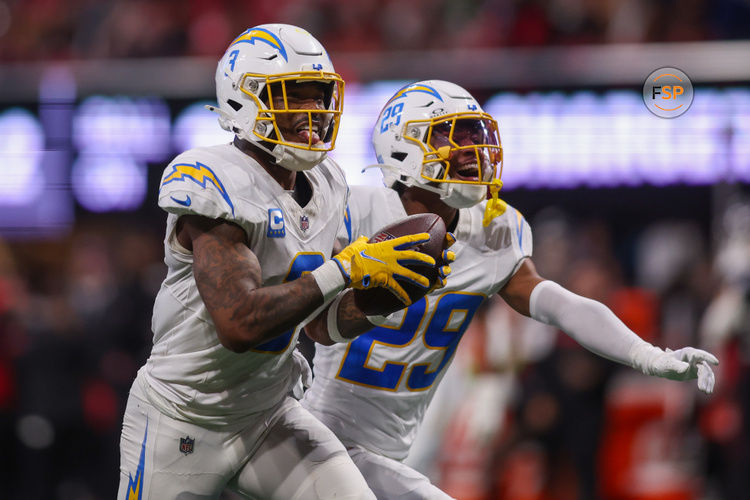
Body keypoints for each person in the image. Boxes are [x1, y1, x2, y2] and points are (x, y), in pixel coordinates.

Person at [301, 80, 720, 499]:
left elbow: (559, 305)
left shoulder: (493, 228)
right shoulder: (353, 211)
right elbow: (303, 311)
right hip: (328, 440)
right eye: (454, 135)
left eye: (475, 135)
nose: (473, 149)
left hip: (394, 450)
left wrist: (647, 355)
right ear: (403, 145)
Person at [117, 25, 442, 500]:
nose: (313, 113)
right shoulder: (212, 178)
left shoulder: (328, 181)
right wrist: (346, 268)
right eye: (295, 96)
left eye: (320, 98)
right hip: (184, 416)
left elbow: (320, 326)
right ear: (243, 100)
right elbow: (240, 322)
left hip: (269, 413)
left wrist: (386, 295)